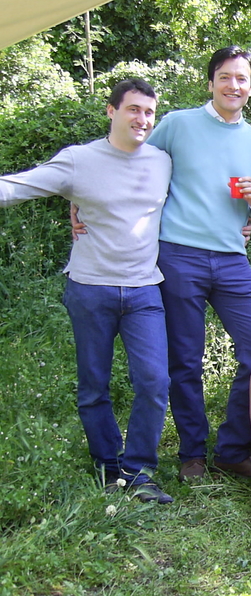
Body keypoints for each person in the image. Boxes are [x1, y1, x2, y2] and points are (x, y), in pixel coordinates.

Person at [0, 79, 173, 503]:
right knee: (93, 385)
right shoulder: (79, 160)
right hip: (90, 288)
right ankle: (107, 464)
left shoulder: (163, 161)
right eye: (133, 109)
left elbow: (201, 196)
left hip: (143, 290)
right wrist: (73, 203)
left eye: (149, 112)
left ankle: (138, 471)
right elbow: (18, 187)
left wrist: (242, 220)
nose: (142, 119)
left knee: (153, 381)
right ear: (111, 111)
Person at [147, 46, 251, 482]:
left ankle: (232, 447)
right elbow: (136, 169)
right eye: (225, 76)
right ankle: (192, 454)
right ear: (211, 82)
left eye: (242, 79)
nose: (234, 85)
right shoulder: (177, 125)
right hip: (178, 253)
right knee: (185, 358)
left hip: (231, 260)